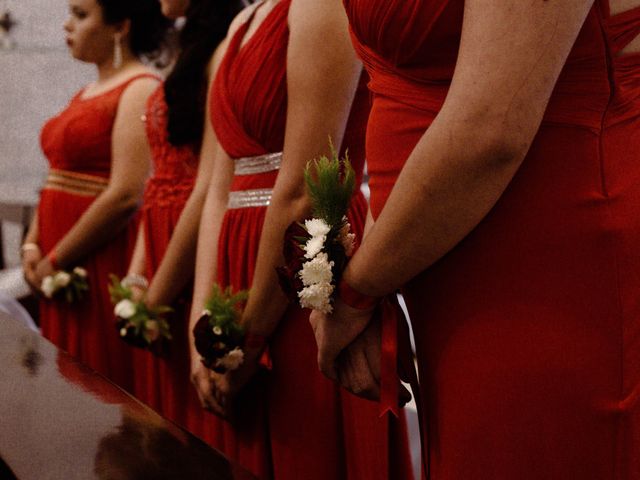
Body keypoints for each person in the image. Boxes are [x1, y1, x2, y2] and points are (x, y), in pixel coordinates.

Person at [310, 0, 640, 477]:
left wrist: (356, 293)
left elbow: (491, 129)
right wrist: (373, 269)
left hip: (545, 261)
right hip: (435, 253)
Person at [188, 0, 413, 478]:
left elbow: (301, 193)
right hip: (238, 266)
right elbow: (217, 192)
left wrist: (248, 340)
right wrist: (205, 329)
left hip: (301, 264)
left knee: (307, 452)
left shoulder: (323, 6)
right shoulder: (240, 24)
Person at [21, 0, 170, 391]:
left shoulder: (141, 88)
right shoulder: (87, 91)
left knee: (98, 381)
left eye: (82, 15)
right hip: (58, 259)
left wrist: (56, 258)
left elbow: (126, 194)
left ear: (121, 26)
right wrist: (32, 247)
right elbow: (56, 176)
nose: (68, 26)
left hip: (99, 258)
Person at [124, 0, 243, 437]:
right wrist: (138, 283)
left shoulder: (221, 49)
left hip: (192, 237)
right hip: (159, 231)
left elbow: (209, 184)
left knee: (190, 428)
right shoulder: (188, 47)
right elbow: (157, 174)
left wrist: (156, 295)